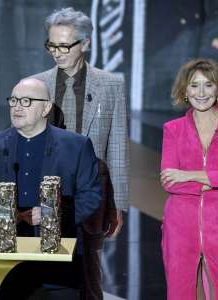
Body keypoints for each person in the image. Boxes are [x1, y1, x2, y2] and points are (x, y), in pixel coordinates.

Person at [29, 7, 129, 299]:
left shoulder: (110, 85)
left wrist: (118, 203)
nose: (56, 52)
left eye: (64, 45)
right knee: (43, 268)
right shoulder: (37, 84)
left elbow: (118, 144)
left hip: (92, 191)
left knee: (89, 271)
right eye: (51, 45)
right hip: (44, 189)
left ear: (85, 43)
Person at [0, 78, 102, 299]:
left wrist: (51, 215)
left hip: (58, 260)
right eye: (13, 100)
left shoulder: (76, 145)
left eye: (26, 101)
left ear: (45, 107)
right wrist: (1, 214)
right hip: (8, 256)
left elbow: (91, 195)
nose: (16, 106)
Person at [160, 58, 218, 300]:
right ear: (185, 91)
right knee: (179, 293)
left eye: (208, 85)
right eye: (194, 85)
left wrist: (187, 175)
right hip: (179, 226)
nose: (201, 93)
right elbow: (169, 182)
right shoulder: (173, 129)